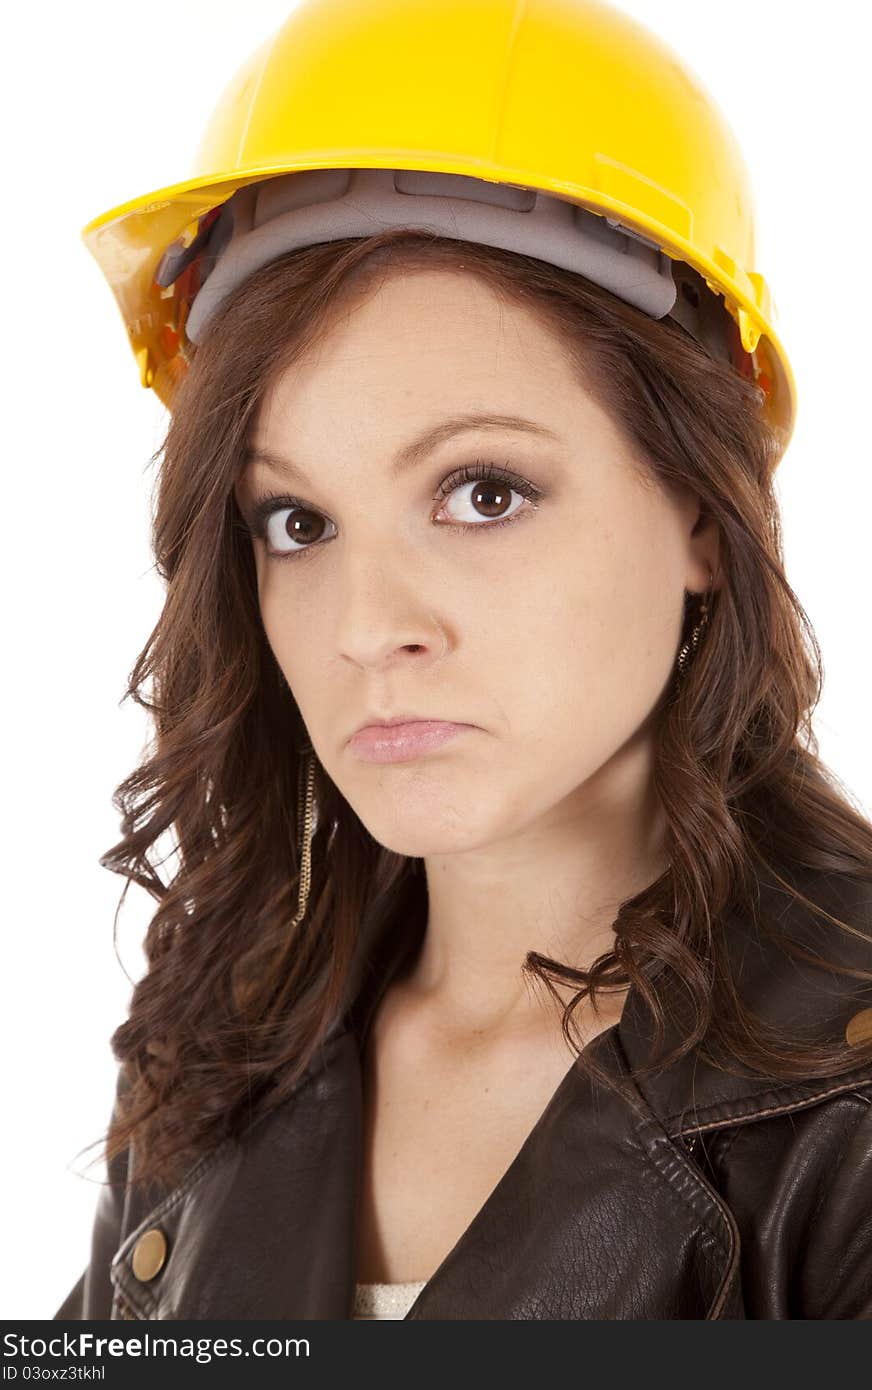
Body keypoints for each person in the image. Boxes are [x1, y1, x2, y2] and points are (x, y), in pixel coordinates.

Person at [55, 0, 872, 1321]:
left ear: (706, 518)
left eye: (481, 491)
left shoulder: (846, 1124)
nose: (367, 623)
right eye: (298, 520)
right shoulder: (221, 1047)